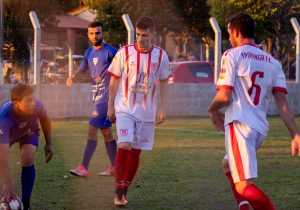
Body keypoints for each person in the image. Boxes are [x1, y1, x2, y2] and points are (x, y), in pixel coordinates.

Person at [207, 13, 300, 210]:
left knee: (243, 185)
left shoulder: (231, 55)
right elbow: (282, 103)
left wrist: (212, 109)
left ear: (236, 32)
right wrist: (295, 133)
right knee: (227, 166)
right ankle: (245, 206)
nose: (229, 39)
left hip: (240, 125)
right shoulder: (272, 62)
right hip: (259, 129)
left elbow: (224, 96)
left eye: (230, 34)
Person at [107, 16, 170, 206]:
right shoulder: (124, 53)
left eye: (145, 35)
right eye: (138, 35)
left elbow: (165, 82)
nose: (140, 39)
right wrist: (110, 105)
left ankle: (124, 188)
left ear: (153, 35)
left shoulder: (161, 56)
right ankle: (119, 188)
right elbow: (114, 80)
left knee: (135, 152)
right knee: (125, 144)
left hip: (146, 111)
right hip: (124, 107)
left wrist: (163, 106)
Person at [66, 21, 118, 177]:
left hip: (106, 98)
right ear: (88, 34)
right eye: (91, 33)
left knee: (91, 130)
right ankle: (116, 167)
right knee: (106, 132)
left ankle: (84, 167)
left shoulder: (111, 51)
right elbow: (83, 67)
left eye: (98, 33)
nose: (95, 36)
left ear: (103, 34)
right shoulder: (89, 52)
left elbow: (122, 70)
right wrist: (73, 76)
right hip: (96, 97)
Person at [0, 83, 53, 210]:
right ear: (16, 103)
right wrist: (8, 184)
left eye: (33, 99)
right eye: (28, 100)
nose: (33, 103)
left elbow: (45, 120)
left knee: (27, 158)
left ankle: (26, 203)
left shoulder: (37, 105)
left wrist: (49, 143)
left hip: (29, 131)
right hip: (10, 135)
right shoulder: (4, 118)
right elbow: (3, 155)